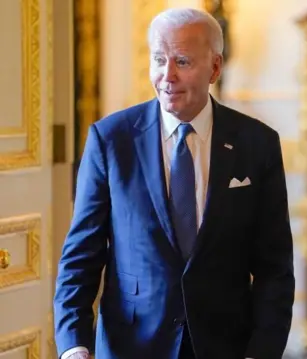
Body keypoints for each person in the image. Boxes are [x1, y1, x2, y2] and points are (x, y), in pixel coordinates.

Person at [53, 8, 294, 359]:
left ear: (214, 67)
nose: (167, 76)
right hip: (130, 346)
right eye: (158, 59)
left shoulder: (257, 144)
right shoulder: (111, 140)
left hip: (226, 345)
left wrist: (262, 351)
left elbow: (275, 269)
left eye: (182, 61)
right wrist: (73, 345)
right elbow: (80, 257)